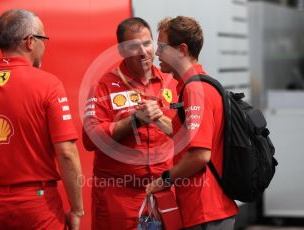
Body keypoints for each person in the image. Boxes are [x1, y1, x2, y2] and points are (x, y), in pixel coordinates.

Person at [0, 9, 83, 230]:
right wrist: (77, 209)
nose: (45, 46)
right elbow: (67, 154)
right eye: (44, 39)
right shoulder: (48, 85)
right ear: (30, 42)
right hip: (37, 205)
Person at [82, 17, 177, 230]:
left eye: (147, 43)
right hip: (118, 199)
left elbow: (187, 135)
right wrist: (133, 121)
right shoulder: (104, 85)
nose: (143, 52)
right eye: (134, 46)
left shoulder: (171, 82)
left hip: (164, 195)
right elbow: (89, 139)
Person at [146, 16, 238, 229]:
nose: (157, 53)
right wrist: (155, 117)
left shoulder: (195, 89)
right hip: (205, 211)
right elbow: (187, 138)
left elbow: (199, 155)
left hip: (206, 212)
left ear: (182, 50)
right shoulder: (195, 85)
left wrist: (165, 179)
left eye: (162, 46)